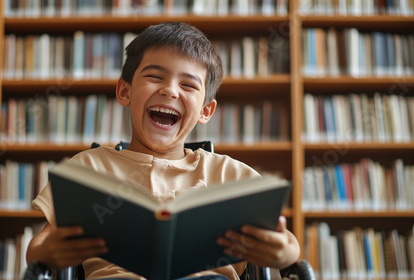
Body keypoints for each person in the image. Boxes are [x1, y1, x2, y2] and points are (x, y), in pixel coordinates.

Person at [26, 22, 300, 280]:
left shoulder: (230, 174)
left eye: (188, 85)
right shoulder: (88, 168)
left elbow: (285, 242)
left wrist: (285, 253)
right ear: (124, 91)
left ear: (205, 110)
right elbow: (38, 247)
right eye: (155, 76)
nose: (169, 90)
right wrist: (48, 251)